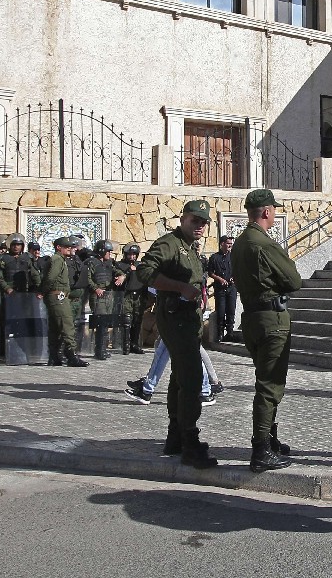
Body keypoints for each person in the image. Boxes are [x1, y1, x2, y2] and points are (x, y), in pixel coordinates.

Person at [136, 200, 216, 469]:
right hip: (175, 316)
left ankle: (175, 435)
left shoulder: (190, 247)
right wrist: (180, 287)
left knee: (179, 378)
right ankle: (190, 441)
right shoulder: (170, 244)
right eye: (195, 220)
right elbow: (145, 271)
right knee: (192, 378)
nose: (200, 226)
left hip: (187, 319)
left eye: (203, 222)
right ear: (183, 218)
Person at [232, 188, 303, 472]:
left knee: (266, 381)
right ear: (266, 212)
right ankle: (261, 448)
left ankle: (269, 440)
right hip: (271, 320)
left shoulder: (240, 242)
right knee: (270, 386)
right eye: (273, 209)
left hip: (251, 317)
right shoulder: (263, 243)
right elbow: (293, 279)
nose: (274, 213)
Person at [39, 236, 87, 368]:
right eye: (67, 247)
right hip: (57, 296)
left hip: (57, 296)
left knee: (55, 327)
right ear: (58, 247)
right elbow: (51, 278)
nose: (70, 249)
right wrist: (43, 291)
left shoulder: (60, 259)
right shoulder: (57, 259)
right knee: (67, 324)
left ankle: (54, 357)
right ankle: (71, 354)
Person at [84, 240, 124, 360]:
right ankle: (99, 350)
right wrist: (95, 288)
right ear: (101, 251)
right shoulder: (92, 262)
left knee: (106, 323)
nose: (109, 254)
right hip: (98, 295)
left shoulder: (109, 263)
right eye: (108, 251)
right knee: (100, 323)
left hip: (108, 295)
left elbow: (118, 271)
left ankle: (103, 349)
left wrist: (122, 276)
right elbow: (88, 278)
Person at [206, 236, 237, 344]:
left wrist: (234, 277)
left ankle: (230, 333)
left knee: (231, 310)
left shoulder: (233, 256)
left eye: (231, 244)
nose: (230, 245)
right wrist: (219, 279)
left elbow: (237, 269)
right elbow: (210, 272)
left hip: (231, 288)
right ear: (222, 244)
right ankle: (220, 334)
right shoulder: (214, 257)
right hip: (220, 289)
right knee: (221, 311)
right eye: (228, 243)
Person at [117, 243, 147, 354]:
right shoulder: (120, 265)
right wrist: (129, 271)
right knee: (127, 320)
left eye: (134, 254)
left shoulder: (140, 265)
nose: (132, 257)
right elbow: (119, 278)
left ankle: (134, 344)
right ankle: (126, 345)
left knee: (137, 320)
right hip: (126, 295)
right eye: (130, 254)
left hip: (139, 295)